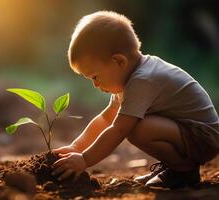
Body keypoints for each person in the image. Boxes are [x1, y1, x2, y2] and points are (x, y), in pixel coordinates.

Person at [52, 10, 219, 189]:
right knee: (136, 125)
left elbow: (119, 129)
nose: (95, 84)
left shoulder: (143, 80)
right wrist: (76, 147)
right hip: (189, 131)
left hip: (204, 137)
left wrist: (85, 159)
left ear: (119, 61)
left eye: (95, 76)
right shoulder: (131, 76)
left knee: (137, 129)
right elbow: (106, 118)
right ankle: (176, 165)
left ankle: (183, 170)